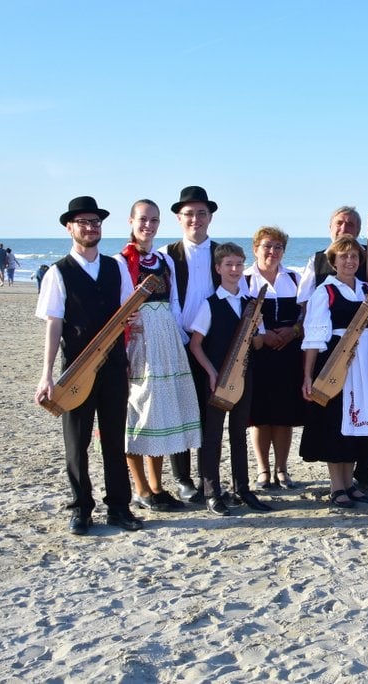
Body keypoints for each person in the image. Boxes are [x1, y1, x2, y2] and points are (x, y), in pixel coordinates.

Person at [34, 196, 142, 535]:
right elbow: (53, 325)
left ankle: (119, 508)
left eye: (95, 222)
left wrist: (133, 322)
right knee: (76, 442)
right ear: (70, 228)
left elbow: (128, 313)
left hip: (114, 366)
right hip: (75, 369)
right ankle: (80, 508)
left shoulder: (116, 267)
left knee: (114, 439)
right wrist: (46, 375)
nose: (90, 227)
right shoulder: (58, 272)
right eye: (83, 222)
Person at [114, 199, 200, 513]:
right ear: (131, 221)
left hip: (165, 339)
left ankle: (156, 486)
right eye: (143, 219)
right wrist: (128, 333)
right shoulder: (121, 261)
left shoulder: (164, 260)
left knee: (160, 412)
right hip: (139, 341)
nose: (148, 226)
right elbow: (120, 304)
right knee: (138, 411)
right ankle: (140, 488)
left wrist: (178, 336)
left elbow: (174, 301)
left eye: (153, 220)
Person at [296, 205, 368, 490]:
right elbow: (313, 337)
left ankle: (350, 485)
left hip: (365, 361)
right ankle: (338, 487)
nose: (349, 261)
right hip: (337, 361)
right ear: (333, 260)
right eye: (343, 256)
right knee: (336, 423)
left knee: (356, 424)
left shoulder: (366, 290)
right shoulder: (325, 291)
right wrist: (308, 376)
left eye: (354, 256)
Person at [188, 242, 273, 516]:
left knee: (239, 434)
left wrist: (256, 332)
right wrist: (211, 372)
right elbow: (195, 345)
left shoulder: (251, 304)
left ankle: (242, 489)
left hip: (244, 377)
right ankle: (211, 493)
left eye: (238, 264)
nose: (234, 269)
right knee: (212, 436)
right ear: (218, 268)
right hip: (217, 380)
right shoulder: (210, 304)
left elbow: (258, 343)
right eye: (229, 265)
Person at [163, 186, 223, 502]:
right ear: (179, 218)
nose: (195, 219)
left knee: (209, 412)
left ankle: (207, 478)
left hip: (213, 344)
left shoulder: (223, 253)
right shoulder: (166, 255)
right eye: (189, 214)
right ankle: (182, 478)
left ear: (210, 217)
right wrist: (178, 335)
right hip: (177, 340)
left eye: (201, 213)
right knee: (180, 411)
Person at [245, 226, 305, 490]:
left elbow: (306, 313)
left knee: (283, 415)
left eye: (278, 247)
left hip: (288, 353)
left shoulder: (295, 277)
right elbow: (240, 315)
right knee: (260, 415)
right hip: (258, 353)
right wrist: (263, 334)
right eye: (267, 246)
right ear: (255, 249)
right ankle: (263, 470)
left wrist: (294, 331)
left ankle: (282, 469)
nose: (272, 251)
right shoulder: (245, 279)